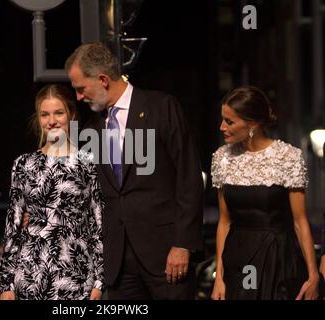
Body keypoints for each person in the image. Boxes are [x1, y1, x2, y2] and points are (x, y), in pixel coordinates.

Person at [65, 42, 204, 299]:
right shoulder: (92, 129)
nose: (79, 97)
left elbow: (189, 179)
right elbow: (83, 189)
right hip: (118, 263)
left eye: (81, 88)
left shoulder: (161, 107)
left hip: (166, 256)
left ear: (103, 79)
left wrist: (183, 244)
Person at [0, 84, 104, 300]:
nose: (51, 120)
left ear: (71, 115)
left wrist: (99, 280)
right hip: (29, 278)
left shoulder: (88, 164)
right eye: (44, 114)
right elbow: (13, 225)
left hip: (76, 279)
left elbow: (97, 224)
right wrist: (6, 283)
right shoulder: (23, 164)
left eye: (58, 113)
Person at [211, 85, 320, 300]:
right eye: (223, 119)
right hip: (240, 260)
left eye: (230, 122)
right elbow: (224, 222)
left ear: (252, 124)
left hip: (277, 257)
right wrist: (219, 278)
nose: (222, 127)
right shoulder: (222, 158)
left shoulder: (288, 157)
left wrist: (313, 275)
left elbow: (300, 221)